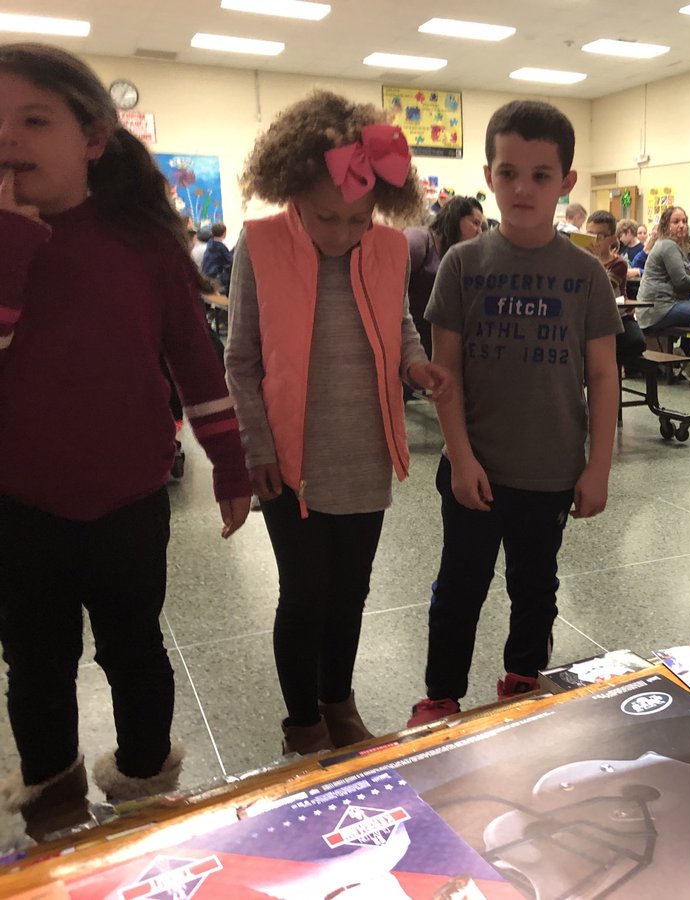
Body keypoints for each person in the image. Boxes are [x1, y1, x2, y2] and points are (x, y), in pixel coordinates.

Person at [0, 43, 252, 840]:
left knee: (134, 650)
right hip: (18, 501)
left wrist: (235, 464)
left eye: (34, 119)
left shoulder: (142, 242)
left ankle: (145, 785)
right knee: (35, 665)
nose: (8, 137)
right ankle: (54, 798)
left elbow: (194, 357)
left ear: (94, 138)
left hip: (130, 495)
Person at [224, 91, 450, 756]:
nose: (344, 233)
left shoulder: (385, 247)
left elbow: (401, 326)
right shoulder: (259, 245)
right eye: (328, 217)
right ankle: (302, 725)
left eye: (360, 218)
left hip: (363, 451)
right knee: (304, 597)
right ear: (292, 190)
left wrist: (417, 366)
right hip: (290, 459)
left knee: (351, 592)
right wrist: (254, 447)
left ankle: (338, 703)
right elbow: (239, 361)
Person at [407, 99, 622, 727]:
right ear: (489, 175)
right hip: (474, 470)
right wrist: (463, 456)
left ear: (567, 183)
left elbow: (605, 375)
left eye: (540, 175)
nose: (522, 188)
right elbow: (446, 376)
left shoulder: (585, 274)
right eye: (508, 173)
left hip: (551, 471)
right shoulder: (462, 264)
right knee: (459, 589)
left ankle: (523, 678)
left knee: (535, 587)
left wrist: (599, 466)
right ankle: (441, 693)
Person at [405, 195, 485, 358]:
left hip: (436, 346)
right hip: (408, 344)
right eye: (475, 223)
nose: (480, 231)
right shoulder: (421, 240)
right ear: (456, 218)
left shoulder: (461, 258)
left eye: (481, 226)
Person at [587, 210, 645, 372]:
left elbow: (604, 287)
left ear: (612, 238)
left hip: (618, 316)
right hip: (591, 317)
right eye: (590, 235)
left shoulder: (619, 263)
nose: (595, 241)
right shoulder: (580, 261)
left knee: (635, 342)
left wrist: (594, 261)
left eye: (600, 236)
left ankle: (615, 372)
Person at [635, 205, 690, 333]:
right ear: (666, 226)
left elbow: (682, 269)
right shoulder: (668, 245)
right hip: (659, 308)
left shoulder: (669, 244)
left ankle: (684, 350)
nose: (682, 225)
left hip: (663, 305)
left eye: (684, 221)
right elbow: (681, 281)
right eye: (676, 222)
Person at [201, 221, 234, 294]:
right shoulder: (221, 247)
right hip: (215, 276)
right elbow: (230, 260)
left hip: (206, 274)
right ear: (224, 233)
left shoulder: (210, 244)